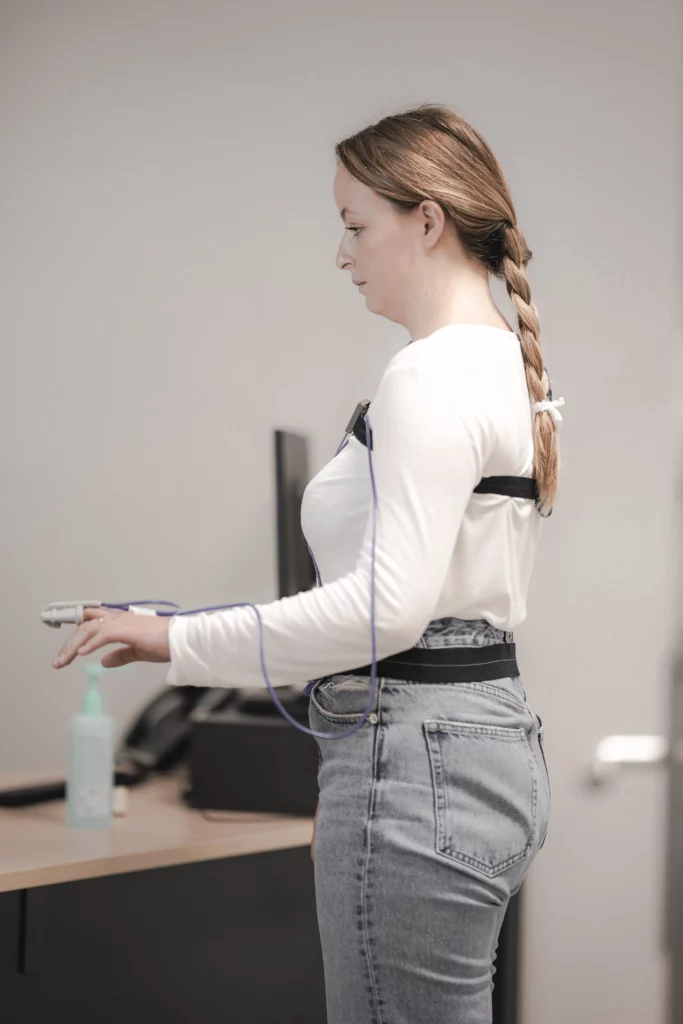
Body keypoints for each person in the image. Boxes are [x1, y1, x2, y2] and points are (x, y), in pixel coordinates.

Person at [52, 102, 560, 1024]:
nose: (342, 253)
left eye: (355, 225)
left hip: (415, 753)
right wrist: (355, 768)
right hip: (478, 741)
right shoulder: (503, 366)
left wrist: (174, 640)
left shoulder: (429, 373)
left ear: (427, 220)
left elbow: (384, 614)